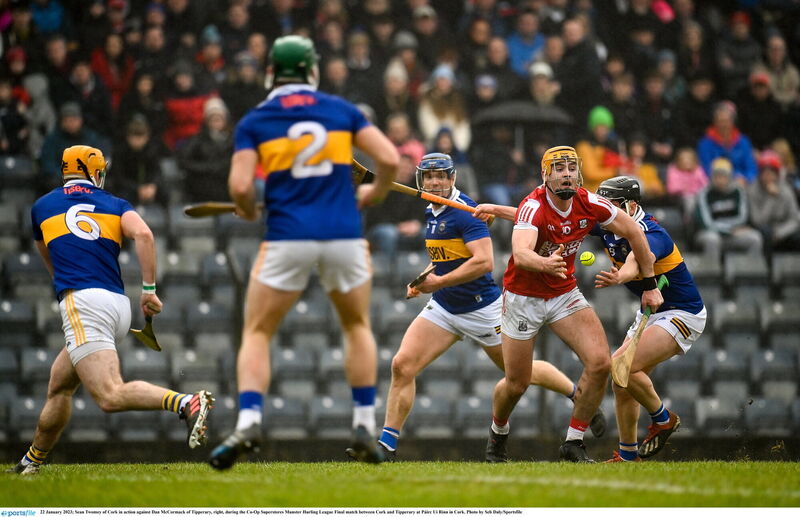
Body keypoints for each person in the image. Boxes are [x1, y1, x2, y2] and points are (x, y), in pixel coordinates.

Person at [208, 35, 399, 470]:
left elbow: (240, 186)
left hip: (287, 235)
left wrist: (245, 207)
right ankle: (364, 423)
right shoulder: (341, 110)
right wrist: (372, 195)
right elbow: (388, 159)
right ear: (313, 72)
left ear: (270, 74)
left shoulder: (256, 119)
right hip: (343, 234)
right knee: (356, 325)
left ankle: (250, 419)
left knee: (257, 330)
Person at [373, 153, 606, 461]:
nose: (434, 182)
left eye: (441, 176)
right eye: (429, 177)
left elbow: (484, 262)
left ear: (453, 178)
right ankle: (386, 446)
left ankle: (576, 395)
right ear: (420, 180)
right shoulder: (433, 210)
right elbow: (447, 256)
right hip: (445, 308)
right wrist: (424, 279)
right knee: (402, 365)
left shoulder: (464, 212)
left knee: (518, 375)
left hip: (483, 309)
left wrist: (438, 283)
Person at [7, 145, 213, 476]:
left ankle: (185, 402)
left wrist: (66, 289)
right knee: (59, 385)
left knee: (109, 396)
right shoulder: (115, 204)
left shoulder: (42, 206)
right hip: (118, 305)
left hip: (83, 303)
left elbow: (47, 254)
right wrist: (148, 291)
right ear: (92, 171)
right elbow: (144, 234)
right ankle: (30, 462)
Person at [474, 145, 663, 463]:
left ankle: (573, 443)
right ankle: (498, 434)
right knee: (517, 383)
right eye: (558, 168)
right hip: (523, 298)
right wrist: (544, 264)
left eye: (571, 168)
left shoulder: (589, 202)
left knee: (601, 363)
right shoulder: (532, 206)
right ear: (545, 175)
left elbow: (633, 230)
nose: (566, 174)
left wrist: (649, 285)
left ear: (580, 174)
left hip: (563, 293)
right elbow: (521, 253)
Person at [591, 176, 706, 462]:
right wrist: (499, 211)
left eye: (611, 205)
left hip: (682, 313)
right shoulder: (608, 223)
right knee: (621, 381)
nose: (605, 210)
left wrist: (621, 277)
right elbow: (554, 219)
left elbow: (638, 261)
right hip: (651, 312)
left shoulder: (652, 233)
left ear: (630, 206)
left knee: (621, 366)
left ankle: (663, 419)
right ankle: (629, 455)